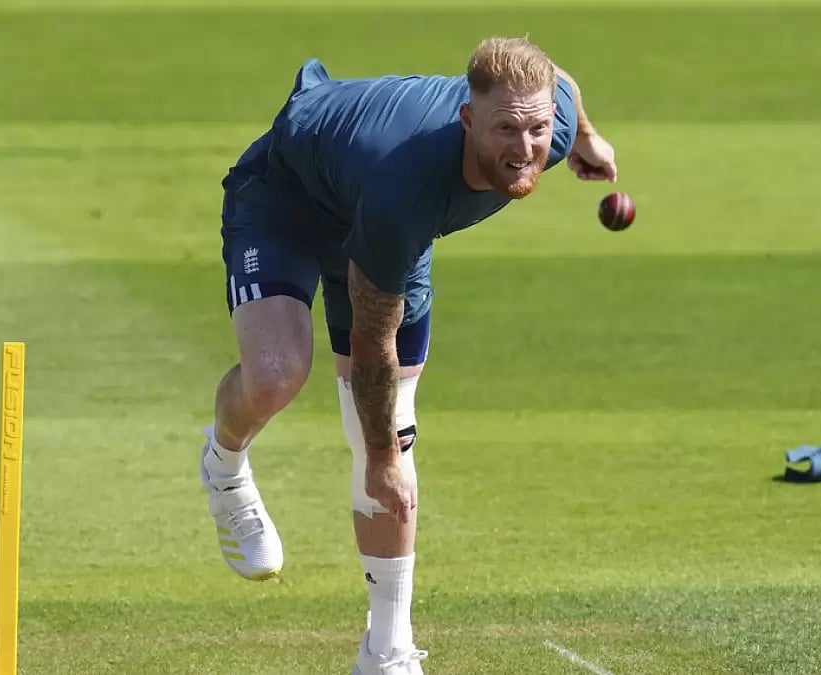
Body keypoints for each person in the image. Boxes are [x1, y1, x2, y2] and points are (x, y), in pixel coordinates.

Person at [197, 35, 618, 674]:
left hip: (384, 220)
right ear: (467, 119)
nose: (526, 147)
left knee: (393, 427)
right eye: (506, 129)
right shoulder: (405, 187)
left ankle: (386, 652)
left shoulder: (547, 125)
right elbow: (373, 344)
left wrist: (585, 136)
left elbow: (560, 80)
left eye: (537, 128)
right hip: (289, 196)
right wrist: (381, 460)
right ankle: (224, 467)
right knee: (279, 376)